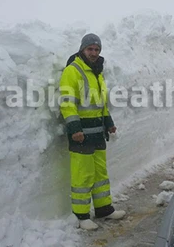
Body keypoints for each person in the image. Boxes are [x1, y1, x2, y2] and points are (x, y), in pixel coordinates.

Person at [59, 33, 126, 230]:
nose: (94, 53)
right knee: (83, 174)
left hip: (97, 133)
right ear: (82, 50)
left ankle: (104, 209)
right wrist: (74, 128)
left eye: (97, 49)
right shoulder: (73, 71)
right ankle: (81, 215)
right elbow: (67, 102)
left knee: (100, 173)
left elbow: (100, 103)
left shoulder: (97, 72)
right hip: (81, 134)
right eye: (90, 49)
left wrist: (109, 122)